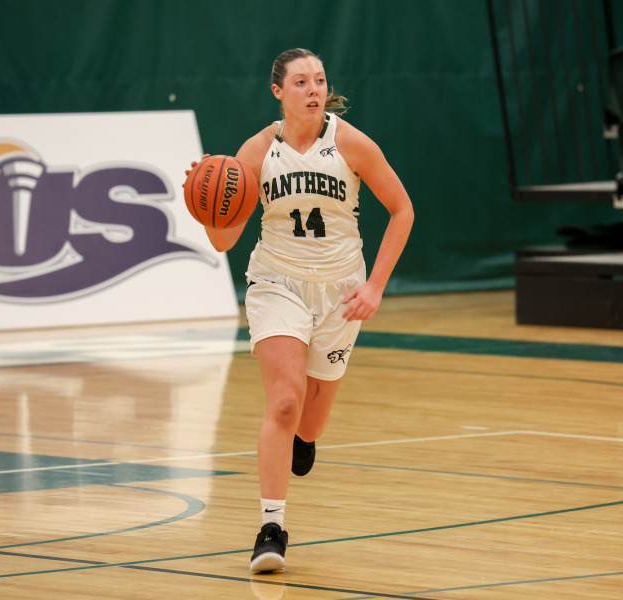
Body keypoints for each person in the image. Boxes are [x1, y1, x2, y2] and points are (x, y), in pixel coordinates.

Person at [193, 48, 413, 573]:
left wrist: (376, 287)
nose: (313, 89)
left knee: (310, 421)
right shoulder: (255, 152)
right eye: (301, 82)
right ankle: (272, 528)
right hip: (276, 284)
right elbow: (224, 241)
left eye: (319, 80)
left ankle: (305, 441)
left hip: (341, 290)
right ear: (279, 92)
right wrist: (204, 207)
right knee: (286, 402)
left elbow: (402, 209)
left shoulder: (351, 143)